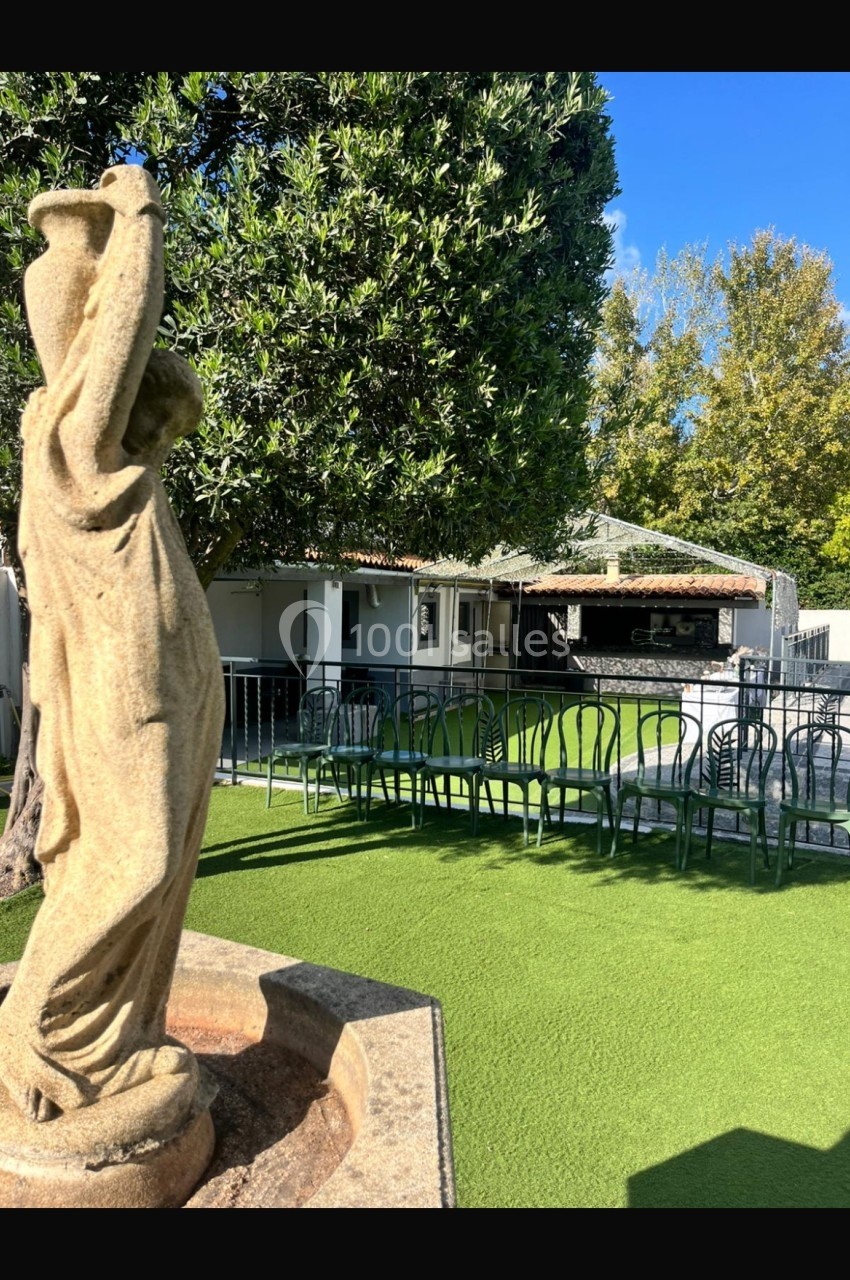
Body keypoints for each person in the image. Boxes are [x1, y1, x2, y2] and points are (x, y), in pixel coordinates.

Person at [0, 166, 224, 1125]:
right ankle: (38, 1034)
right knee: (126, 858)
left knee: (140, 854)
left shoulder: (98, 457)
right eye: (163, 423)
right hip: (130, 692)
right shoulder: (71, 439)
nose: (166, 442)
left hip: (151, 687)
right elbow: (120, 329)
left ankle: (116, 1037)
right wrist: (136, 215)